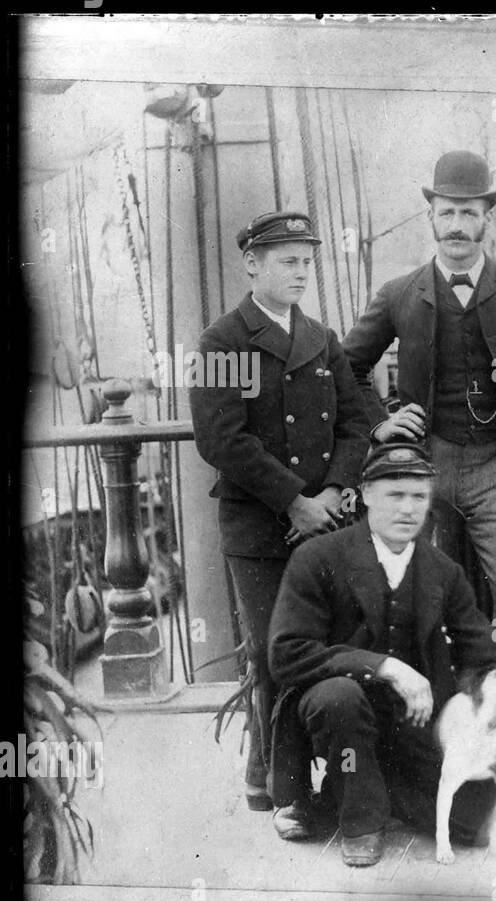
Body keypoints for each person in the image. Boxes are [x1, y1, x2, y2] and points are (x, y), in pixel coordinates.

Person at [342, 150, 496, 816]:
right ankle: (438, 754)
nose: (456, 224)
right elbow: (341, 368)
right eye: (446, 212)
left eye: (468, 213)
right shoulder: (399, 294)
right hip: (429, 466)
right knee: (427, 603)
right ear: (431, 214)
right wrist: (384, 421)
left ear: (487, 217)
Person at [265, 443, 496, 867]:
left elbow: (488, 659)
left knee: (477, 823)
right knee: (340, 697)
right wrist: (384, 667)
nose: (408, 509)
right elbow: (286, 653)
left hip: (413, 724)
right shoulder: (317, 557)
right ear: (367, 494)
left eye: (419, 496)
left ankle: (368, 788)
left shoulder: (443, 572)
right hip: (338, 708)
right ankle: (360, 821)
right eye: (395, 495)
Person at [191, 211, 371, 820]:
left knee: (335, 646)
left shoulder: (320, 338)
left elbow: (355, 423)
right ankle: (291, 793)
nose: (300, 272)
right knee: (276, 655)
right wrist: (296, 499)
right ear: (253, 264)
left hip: (325, 524)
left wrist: (336, 492)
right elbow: (221, 439)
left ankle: (274, 774)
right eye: (287, 261)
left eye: (306, 262)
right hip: (261, 528)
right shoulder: (224, 340)